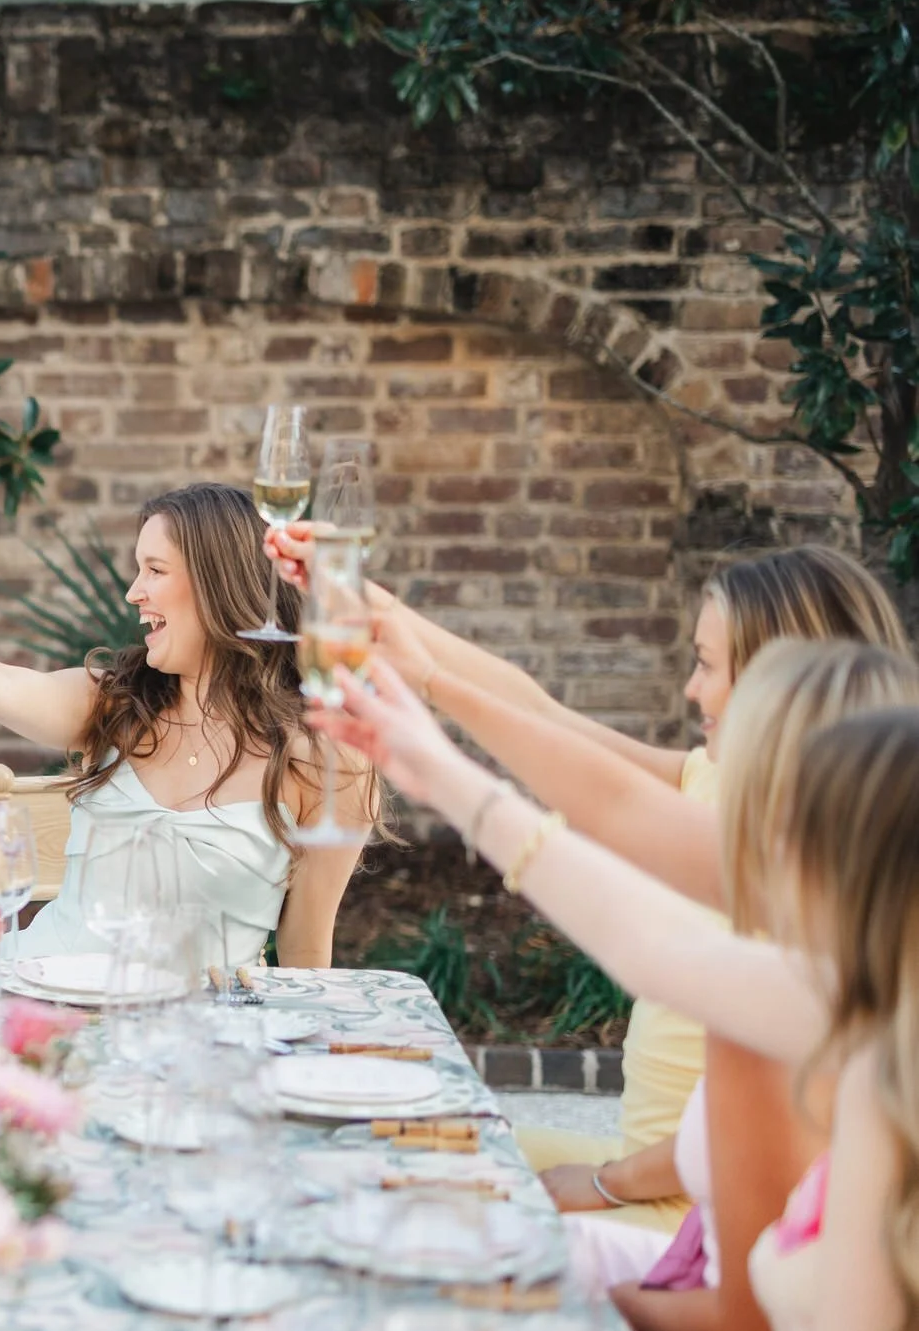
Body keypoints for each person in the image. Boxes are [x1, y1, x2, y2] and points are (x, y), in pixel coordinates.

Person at [313, 658, 919, 1331]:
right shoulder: (868, 1008)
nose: (741, 860)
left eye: (782, 838)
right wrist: (435, 767)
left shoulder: (886, 1085)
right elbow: (653, 947)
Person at [273, 529, 905, 1235]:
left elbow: (749, 1124)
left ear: (777, 684)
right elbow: (547, 720)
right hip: (648, 1166)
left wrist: (604, 1184)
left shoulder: (813, 865)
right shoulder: (716, 783)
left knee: (407, 1199)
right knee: (382, 1143)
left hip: (692, 1207)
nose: (690, 686)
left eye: (705, 663)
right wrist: (384, 620)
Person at [0, 481, 371, 969]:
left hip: (191, 1049)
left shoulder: (326, 759)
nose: (133, 592)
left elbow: (304, 954)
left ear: (221, 584)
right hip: (33, 1004)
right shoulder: (116, 706)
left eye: (154, 569)